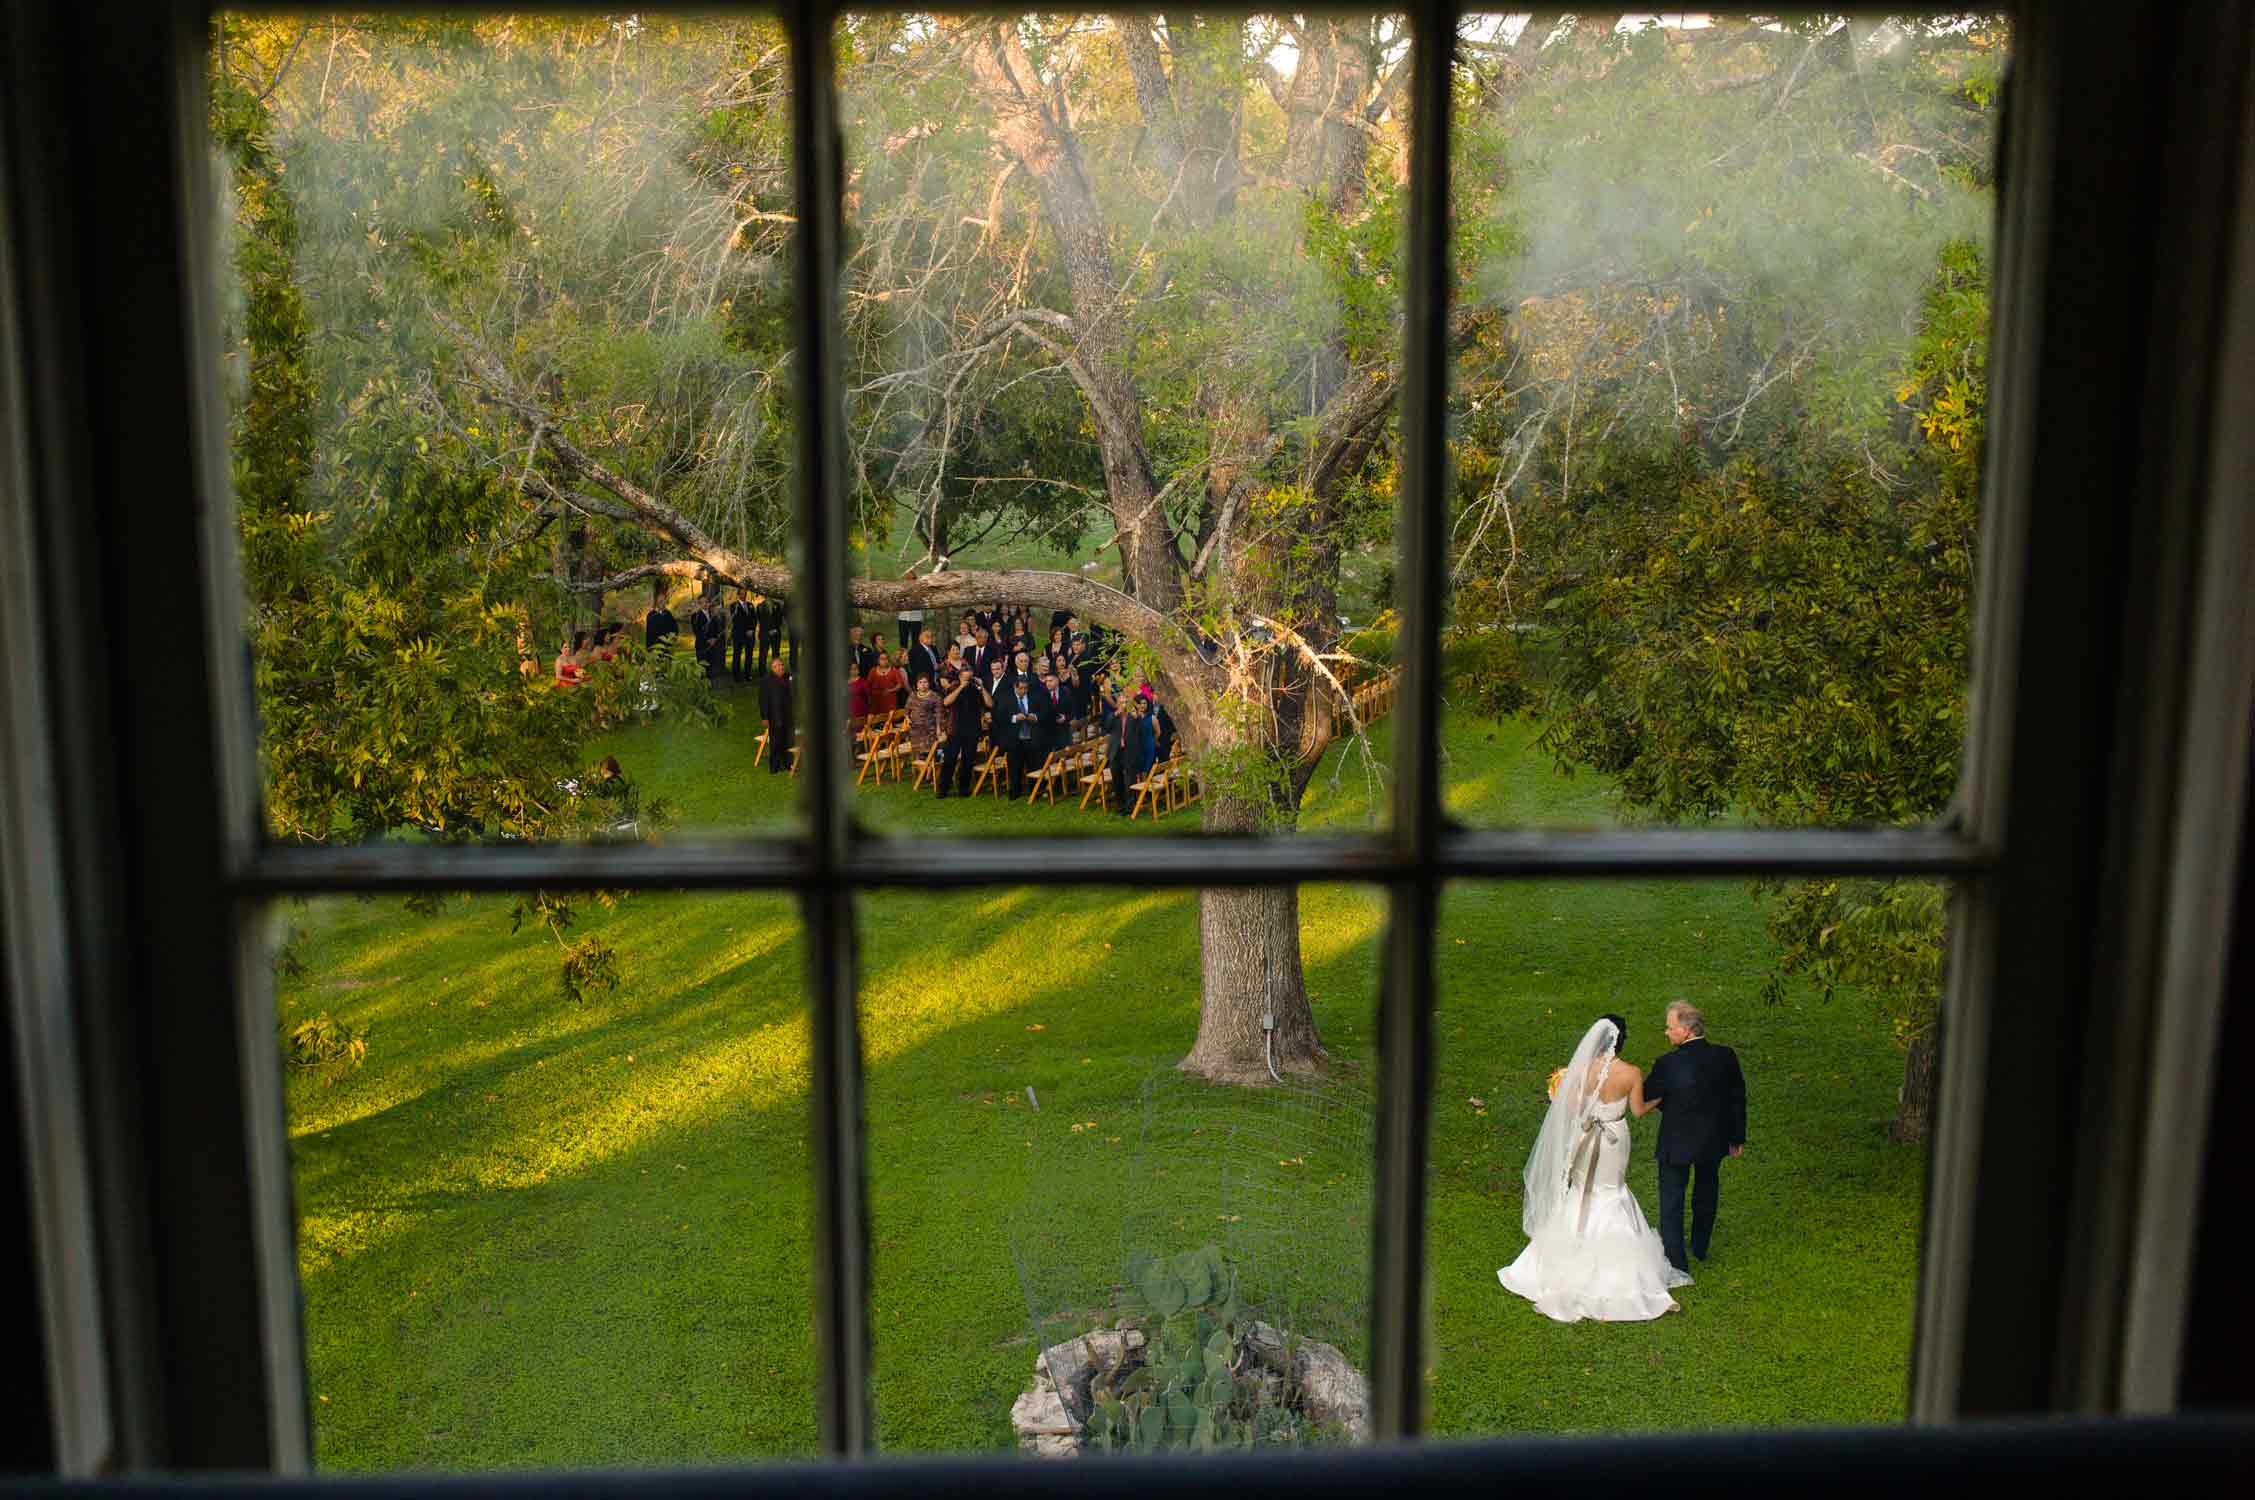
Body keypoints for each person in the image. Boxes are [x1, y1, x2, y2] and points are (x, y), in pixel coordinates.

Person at [1496, 1016, 1689, 1322]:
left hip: (1584, 1135)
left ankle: (1564, 1260)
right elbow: (1638, 1111)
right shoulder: (1631, 1073)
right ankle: (1620, 1273)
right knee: (1611, 1190)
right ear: (1622, 1041)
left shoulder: (1580, 1071)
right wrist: (1662, 1098)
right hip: (1614, 1139)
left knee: (1582, 1191)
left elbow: (1570, 1108)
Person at [1642, 1002, 1748, 1275]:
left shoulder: (1667, 1064)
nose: (1666, 1032)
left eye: (1670, 1027)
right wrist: (1736, 1137)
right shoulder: (1726, 1056)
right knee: (1706, 1192)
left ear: (1686, 1030)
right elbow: (1737, 1098)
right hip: (1713, 1140)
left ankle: (1676, 1260)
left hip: (1676, 1141)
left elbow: (1649, 1096)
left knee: (1672, 1200)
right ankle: (1700, 1246)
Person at [938, 665, 988, 799]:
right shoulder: (953, 687)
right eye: (965, 677)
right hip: (956, 729)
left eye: (969, 677)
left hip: (972, 729)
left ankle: (964, 788)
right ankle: (943, 788)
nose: (968, 680)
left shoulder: (976, 688)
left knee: (968, 760)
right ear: (960, 677)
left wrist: (982, 687)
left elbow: (989, 704)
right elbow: (946, 702)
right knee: (950, 759)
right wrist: (961, 687)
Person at [999, 665, 1045, 797]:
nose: (1023, 691)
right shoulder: (1006, 699)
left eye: (1026, 688)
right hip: (1014, 738)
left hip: (1031, 737)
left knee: (1033, 764)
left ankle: (1034, 790)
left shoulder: (1034, 697)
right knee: (1014, 766)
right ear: (1015, 687)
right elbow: (999, 716)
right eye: (1021, 688)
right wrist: (1014, 718)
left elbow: (1044, 712)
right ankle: (1015, 791)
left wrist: (1035, 717)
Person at [758, 657, 794, 774]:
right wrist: (764, 717)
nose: (781, 667)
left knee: (788, 741)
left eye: (782, 665)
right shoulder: (767, 681)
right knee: (776, 742)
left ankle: (788, 764)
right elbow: (763, 700)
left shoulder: (788, 677)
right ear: (773, 668)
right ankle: (774, 767)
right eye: (778, 666)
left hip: (788, 715)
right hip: (775, 716)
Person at [906, 672, 944, 767]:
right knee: (920, 755)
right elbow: (907, 710)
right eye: (920, 682)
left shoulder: (935, 696)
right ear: (917, 685)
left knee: (931, 754)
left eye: (925, 682)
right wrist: (907, 719)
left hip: (929, 730)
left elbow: (939, 714)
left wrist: (939, 728)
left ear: (929, 683)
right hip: (916, 731)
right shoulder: (912, 696)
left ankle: (930, 775)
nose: (923, 685)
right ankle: (922, 774)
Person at [753, 591, 791, 674]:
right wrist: (768, 630)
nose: (768, 596)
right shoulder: (760, 606)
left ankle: (776, 672)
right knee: (763, 654)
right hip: (764, 634)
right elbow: (761, 621)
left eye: (769, 594)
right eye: (766, 594)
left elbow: (780, 619)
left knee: (776, 654)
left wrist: (775, 628)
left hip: (776, 633)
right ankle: (762, 672)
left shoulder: (777, 605)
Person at [864, 648, 906, 715]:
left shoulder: (893, 670)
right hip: (876, 702)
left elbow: (900, 684)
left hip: (890, 702)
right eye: (882, 659)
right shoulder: (873, 671)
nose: (885, 661)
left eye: (886, 659)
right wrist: (870, 696)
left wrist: (890, 690)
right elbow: (867, 685)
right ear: (878, 660)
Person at [729, 590, 757, 684]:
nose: (743, 595)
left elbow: (754, 619)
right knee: (737, 655)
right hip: (739, 635)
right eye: (741, 594)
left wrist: (752, 629)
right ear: (738, 594)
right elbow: (737, 620)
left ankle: (747, 675)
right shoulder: (733, 606)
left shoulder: (750, 605)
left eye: (745, 594)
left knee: (749, 655)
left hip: (750, 635)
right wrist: (746, 630)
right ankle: (736, 676)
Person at [906, 626, 941, 690]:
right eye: (927, 636)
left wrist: (939, 665)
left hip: (937, 679)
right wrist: (933, 668)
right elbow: (916, 669)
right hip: (925, 683)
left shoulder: (933, 648)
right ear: (920, 638)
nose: (930, 639)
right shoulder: (915, 650)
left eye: (931, 636)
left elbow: (938, 661)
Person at [846, 665, 870, 731]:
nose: (853, 671)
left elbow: (869, 696)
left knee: (860, 732)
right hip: (848, 711)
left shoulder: (863, 682)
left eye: (855, 669)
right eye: (851, 669)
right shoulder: (845, 682)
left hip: (860, 711)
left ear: (858, 671)